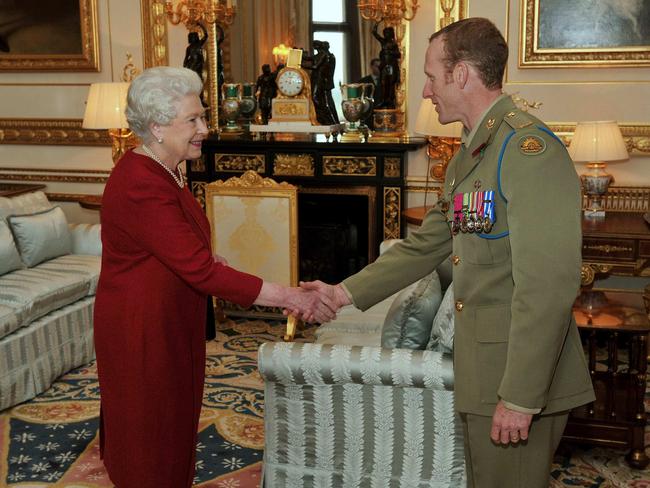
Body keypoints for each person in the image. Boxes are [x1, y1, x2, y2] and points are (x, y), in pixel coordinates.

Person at [302, 17, 595, 488]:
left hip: (516, 378)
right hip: (484, 372)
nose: (425, 92)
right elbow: (426, 245)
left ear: (462, 75)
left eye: (432, 77)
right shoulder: (470, 156)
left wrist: (520, 396)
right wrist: (341, 294)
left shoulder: (526, 151)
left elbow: (549, 286)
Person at [93, 66, 336, 488]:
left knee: (175, 422)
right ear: (156, 126)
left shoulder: (167, 170)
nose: (204, 128)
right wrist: (288, 296)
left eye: (202, 117)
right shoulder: (140, 182)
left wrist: (207, 260)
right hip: (142, 330)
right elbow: (198, 267)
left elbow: (182, 249)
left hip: (171, 319)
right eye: (193, 120)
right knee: (151, 433)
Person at [309, 40, 339, 126]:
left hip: (324, 82)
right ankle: (330, 120)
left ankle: (329, 120)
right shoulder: (327, 55)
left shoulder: (326, 56)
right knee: (327, 102)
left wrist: (300, 64)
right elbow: (311, 58)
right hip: (324, 82)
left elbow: (315, 66)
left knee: (326, 102)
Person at [372, 23, 401, 109]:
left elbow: (398, 55)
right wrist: (377, 22)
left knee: (391, 83)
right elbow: (374, 33)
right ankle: (384, 100)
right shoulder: (383, 41)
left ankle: (390, 100)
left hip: (391, 65)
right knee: (384, 83)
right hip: (384, 65)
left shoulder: (394, 44)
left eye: (387, 33)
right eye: (385, 33)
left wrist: (389, 52)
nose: (386, 35)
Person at [358, 57, 381, 128]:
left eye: (380, 67)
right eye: (376, 66)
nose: (378, 69)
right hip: (367, 114)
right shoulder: (363, 81)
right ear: (371, 66)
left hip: (380, 113)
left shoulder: (385, 81)